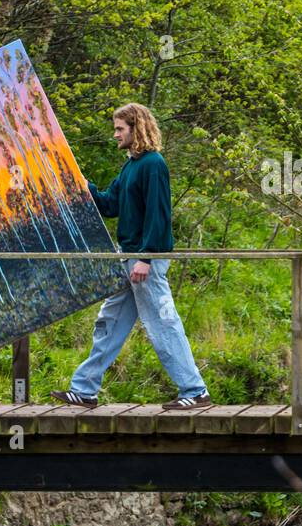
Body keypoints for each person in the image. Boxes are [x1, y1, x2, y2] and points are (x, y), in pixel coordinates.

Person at [50, 103, 211, 410]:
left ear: (136, 128)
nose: (115, 134)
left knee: (162, 323)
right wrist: (85, 187)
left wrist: (146, 259)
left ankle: (195, 390)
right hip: (129, 257)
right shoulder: (130, 166)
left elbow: (158, 215)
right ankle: (84, 389)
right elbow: (111, 205)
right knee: (110, 322)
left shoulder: (153, 164)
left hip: (143, 259)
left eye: (120, 129)